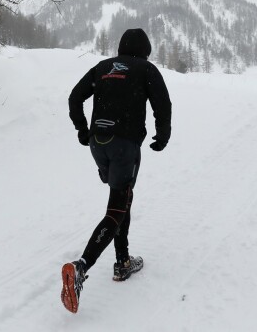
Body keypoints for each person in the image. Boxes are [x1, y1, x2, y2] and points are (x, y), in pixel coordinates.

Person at [61, 28, 172, 314]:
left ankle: (122, 262)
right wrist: (162, 135)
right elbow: (162, 104)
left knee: (121, 198)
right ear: (145, 49)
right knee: (117, 209)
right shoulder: (146, 68)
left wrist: (83, 130)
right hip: (124, 144)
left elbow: (75, 97)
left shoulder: (102, 67)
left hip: (99, 144)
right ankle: (81, 267)